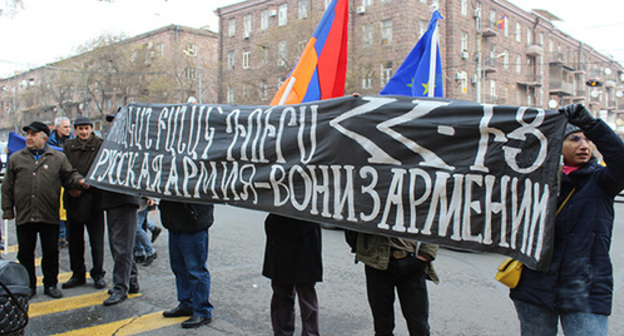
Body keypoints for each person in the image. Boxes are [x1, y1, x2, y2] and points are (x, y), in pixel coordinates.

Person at [509, 104, 624, 336]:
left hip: (586, 290)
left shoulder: (602, 181)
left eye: (588, 140)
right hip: (535, 287)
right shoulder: (536, 181)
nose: (584, 145)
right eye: (574, 139)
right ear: (557, 145)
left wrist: (593, 126)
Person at [1, 121, 88, 299]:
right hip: (25, 215)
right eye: (27, 135)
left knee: (50, 252)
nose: (28, 138)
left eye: (33, 135)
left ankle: (50, 284)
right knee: (25, 253)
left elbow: (69, 175)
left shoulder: (57, 158)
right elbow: (7, 186)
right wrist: (8, 210)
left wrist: (80, 181)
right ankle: (29, 286)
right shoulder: (16, 158)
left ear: (44, 138)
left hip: (48, 214)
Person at [352, 233, 439, 336]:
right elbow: (352, 227)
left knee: (418, 322)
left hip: (412, 262)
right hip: (377, 263)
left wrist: (425, 256)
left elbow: (434, 225)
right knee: (382, 323)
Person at [61, 116, 106, 290]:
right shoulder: (68, 147)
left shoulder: (100, 145)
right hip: (73, 198)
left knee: (96, 240)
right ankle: (77, 274)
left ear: (92, 128)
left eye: (87, 128)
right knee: (74, 240)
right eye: (80, 129)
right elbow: (64, 171)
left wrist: (86, 186)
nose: (84, 132)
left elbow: (102, 170)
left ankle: (98, 273)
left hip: (94, 199)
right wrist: (72, 186)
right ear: (75, 130)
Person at [100, 113, 140, 306]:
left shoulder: (132, 144)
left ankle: (120, 288)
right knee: (120, 245)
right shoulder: (111, 143)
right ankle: (130, 281)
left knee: (122, 247)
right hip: (112, 200)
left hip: (124, 200)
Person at [262, 214, 323, 336]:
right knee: (283, 293)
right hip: (281, 232)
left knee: (305, 294)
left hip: (305, 234)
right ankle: (283, 332)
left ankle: (307, 333)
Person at [160, 200, 215, 329]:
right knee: (179, 267)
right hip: (174, 219)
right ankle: (187, 304)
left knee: (196, 270)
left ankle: (203, 311)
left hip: (193, 220)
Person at [47, 116, 74, 248]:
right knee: (57, 208)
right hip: (54, 179)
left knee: (67, 209)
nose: (68, 129)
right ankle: (60, 235)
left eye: (69, 126)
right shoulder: (49, 143)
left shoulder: (73, 142)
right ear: (57, 127)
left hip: (68, 178)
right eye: (65, 127)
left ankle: (67, 235)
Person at [133, 198, 159, 267]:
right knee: (134, 226)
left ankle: (150, 251)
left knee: (136, 228)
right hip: (136, 201)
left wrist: (150, 197)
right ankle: (139, 251)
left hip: (142, 202)